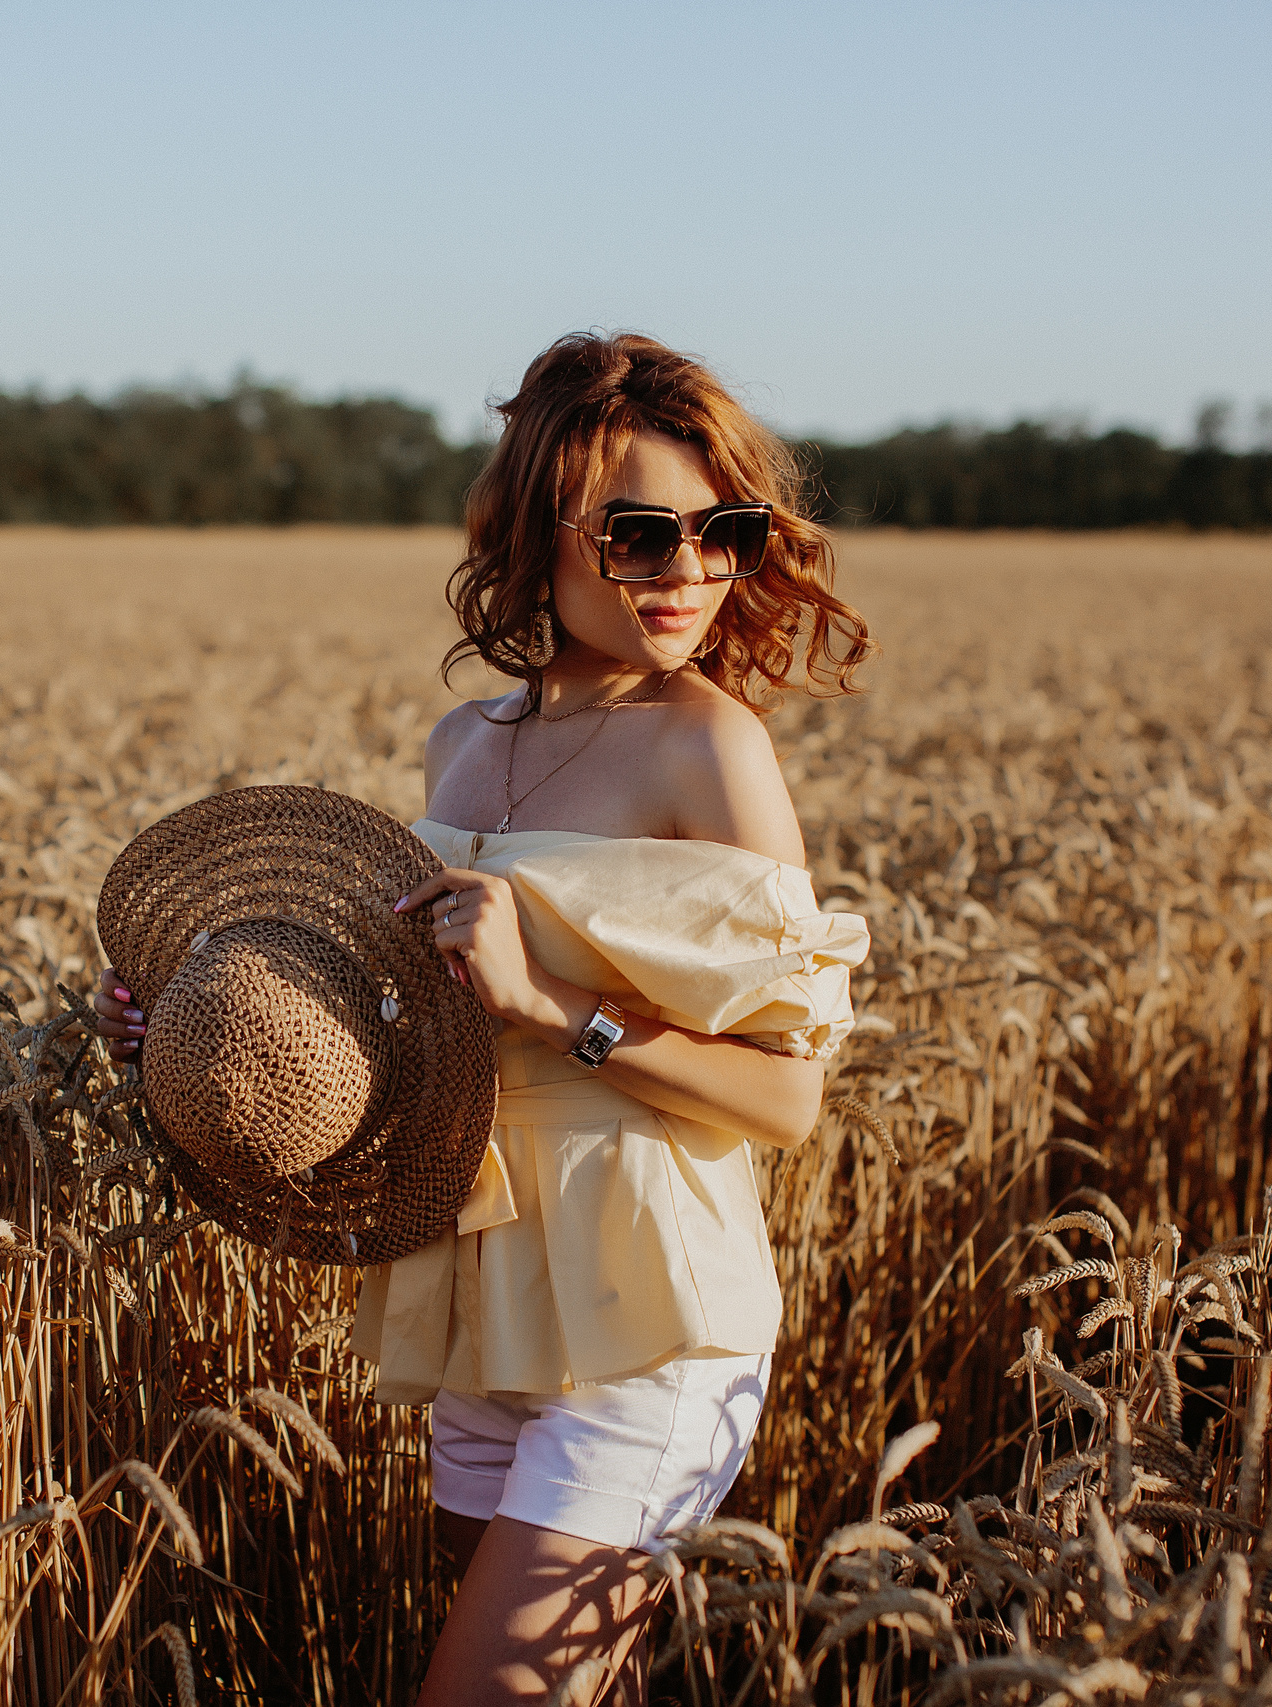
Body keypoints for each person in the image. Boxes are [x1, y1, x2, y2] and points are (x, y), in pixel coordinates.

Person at [93, 331, 873, 1705]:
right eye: (639, 534)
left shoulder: (711, 747)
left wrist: (557, 1006)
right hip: (478, 1288)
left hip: (652, 1313)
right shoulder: (467, 743)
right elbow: (415, 1025)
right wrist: (202, 1030)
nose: (686, 571)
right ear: (542, 532)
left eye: (723, 532)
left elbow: (787, 1099)